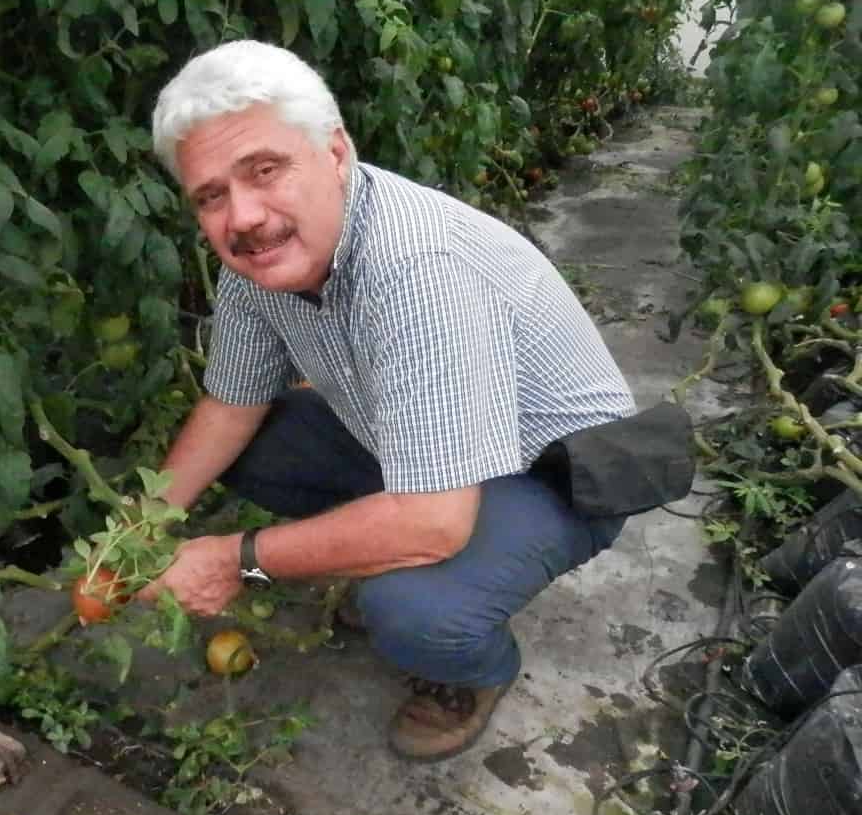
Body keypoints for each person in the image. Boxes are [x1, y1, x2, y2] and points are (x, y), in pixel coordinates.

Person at [137, 39, 636, 763]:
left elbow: (434, 522)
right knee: (256, 446)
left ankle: (477, 669)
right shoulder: (257, 262)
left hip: (558, 471)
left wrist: (234, 559)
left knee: (412, 610)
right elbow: (229, 406)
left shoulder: (417, 270)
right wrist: (140, 528)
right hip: (418, 436)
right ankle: (384, 537)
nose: (241, 216)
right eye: (211, 195)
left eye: (265, 169)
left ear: (335, 153)